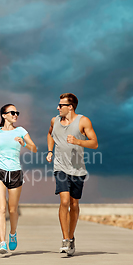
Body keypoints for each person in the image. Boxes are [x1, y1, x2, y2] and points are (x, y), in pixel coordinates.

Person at [46, 93, 98, 256]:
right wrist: (50, 151)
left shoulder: (83, 121)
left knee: (74, 204)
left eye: (61, 105)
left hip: (77, 169)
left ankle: (71, 236)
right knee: (64, 201)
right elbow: (50, 134)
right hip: (60, 167)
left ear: (70, 107)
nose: (57, 107)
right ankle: (65, 239)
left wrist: (77, 141)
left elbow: (94, 143)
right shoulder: (54, 121)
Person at [0, 104, 37, 254]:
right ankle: (2, 243)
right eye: (12, 112)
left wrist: (24, 144)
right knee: (1, 208)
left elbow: (34, 148)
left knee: (12, 209)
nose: (15, 115)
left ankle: (12, 234)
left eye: (17, 113)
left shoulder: (21, 131)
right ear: (4, 115)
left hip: (15, 172)